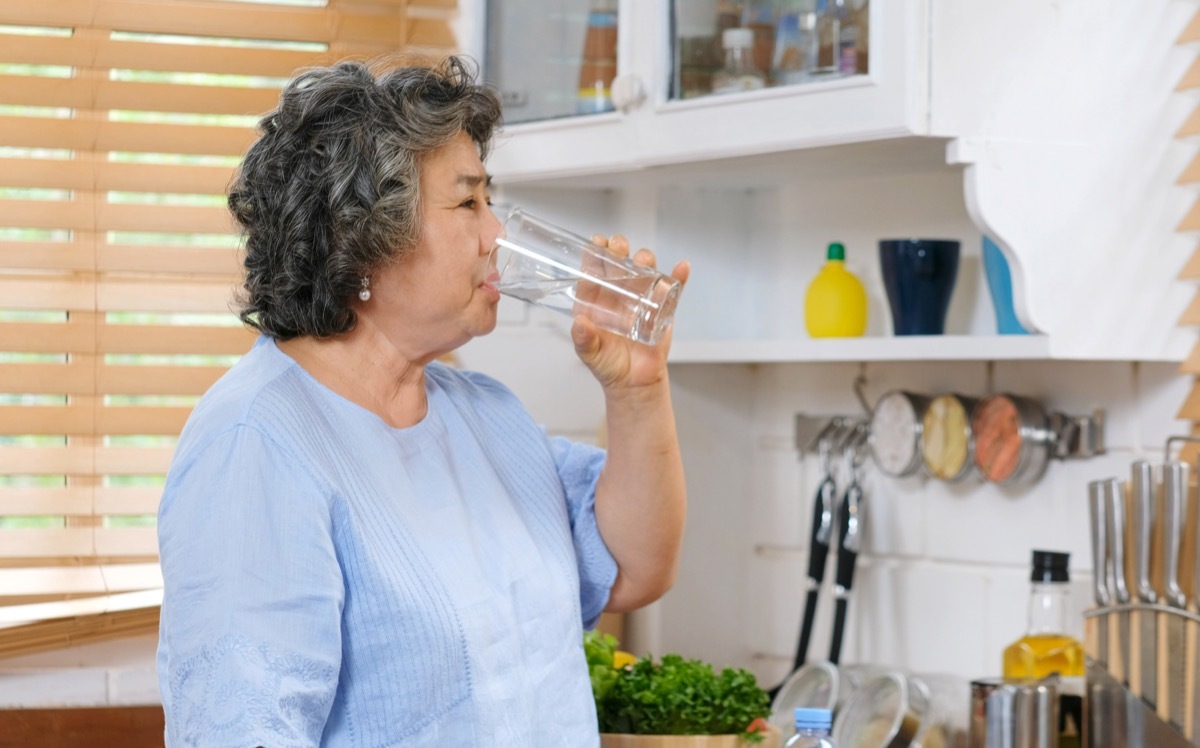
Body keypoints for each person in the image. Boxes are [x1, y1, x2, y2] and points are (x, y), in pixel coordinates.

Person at [155, 56, 689, 746]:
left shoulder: (485, 415)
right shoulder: (255, 442)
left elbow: (636, 569)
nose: (496, 234)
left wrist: (636, 390)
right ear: (364, 235)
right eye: (468, 202)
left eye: (488, 201)